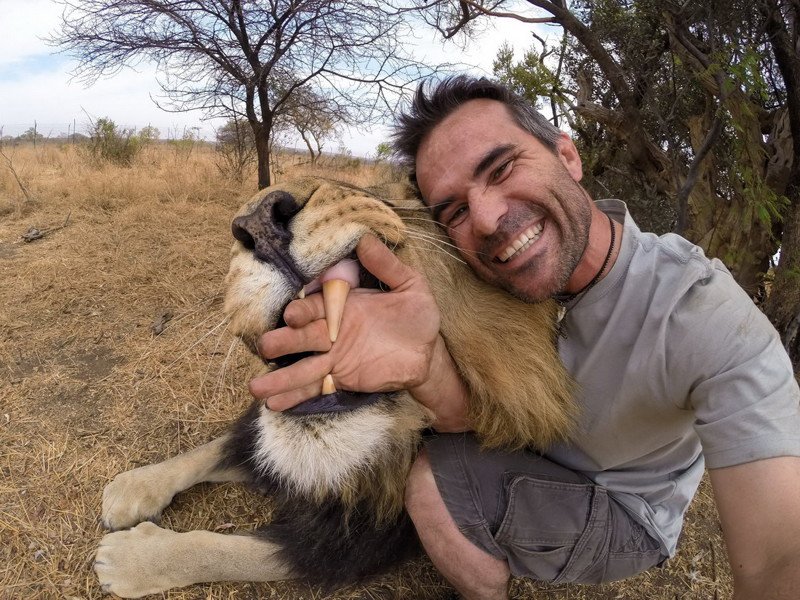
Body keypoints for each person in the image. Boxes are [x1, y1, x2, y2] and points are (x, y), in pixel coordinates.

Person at [248, 76, 800, 599]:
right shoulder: (501, 275)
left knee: (428, 485)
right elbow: (487, 419)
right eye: (455, 210)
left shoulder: (703, 313)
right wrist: (429, 365)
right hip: (538, 458)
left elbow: (780, 558)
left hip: (624, 507)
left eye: (502, 168)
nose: (487, 220)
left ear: (568, 156)